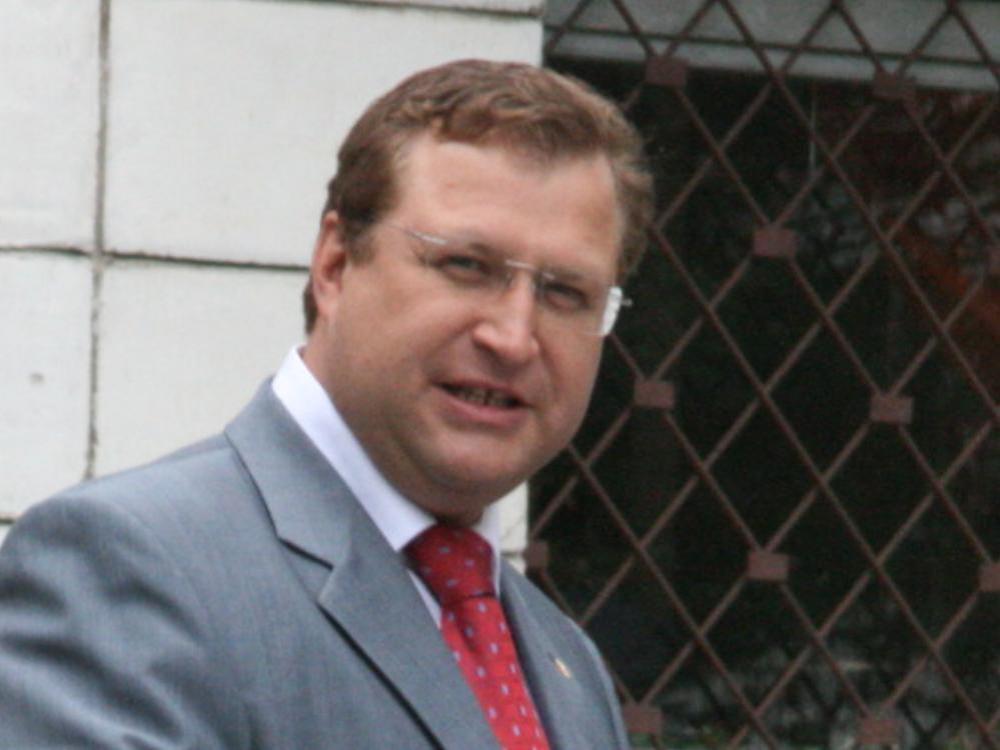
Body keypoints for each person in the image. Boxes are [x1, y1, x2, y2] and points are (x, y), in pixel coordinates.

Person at [0, 59, 652, 748]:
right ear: (335, 265)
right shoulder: (128, 569)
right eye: (465, 266)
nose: (513, 337)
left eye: (565, 293)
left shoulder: (567, 665)